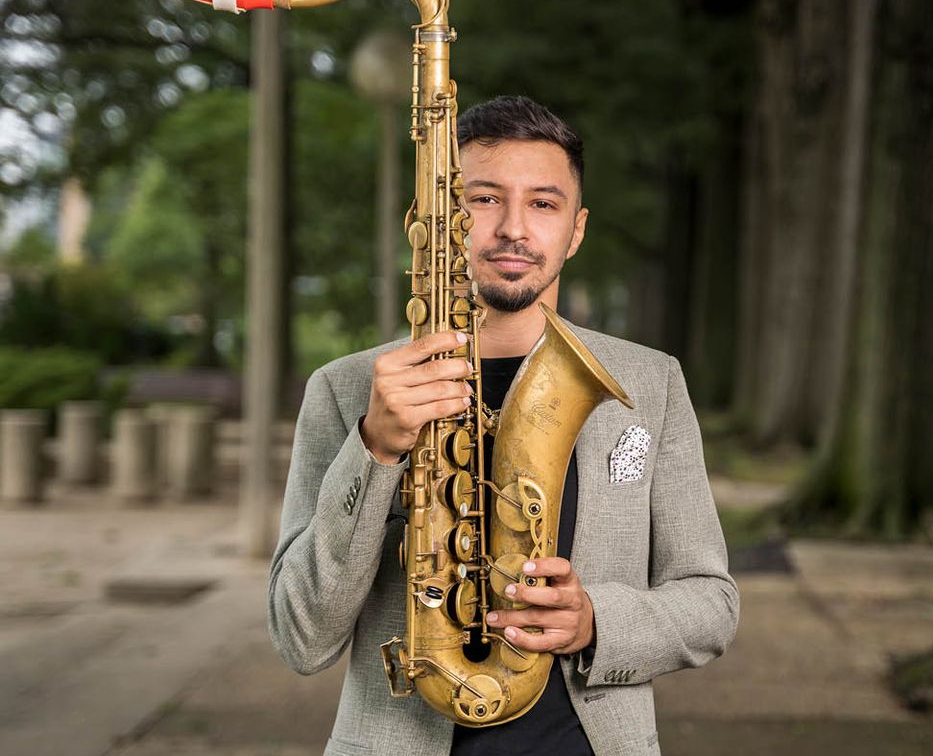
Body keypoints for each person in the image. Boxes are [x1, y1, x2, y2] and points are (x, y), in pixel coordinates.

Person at [268, 95, 739, 756]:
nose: (514, 229)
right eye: (483, 199)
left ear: (575, 230)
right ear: (437, 221)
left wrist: (596, 620)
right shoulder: (346, 390)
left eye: (543, 204)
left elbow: (710, 603)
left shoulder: (651, 383)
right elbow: (300, 636)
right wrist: (375, 448)